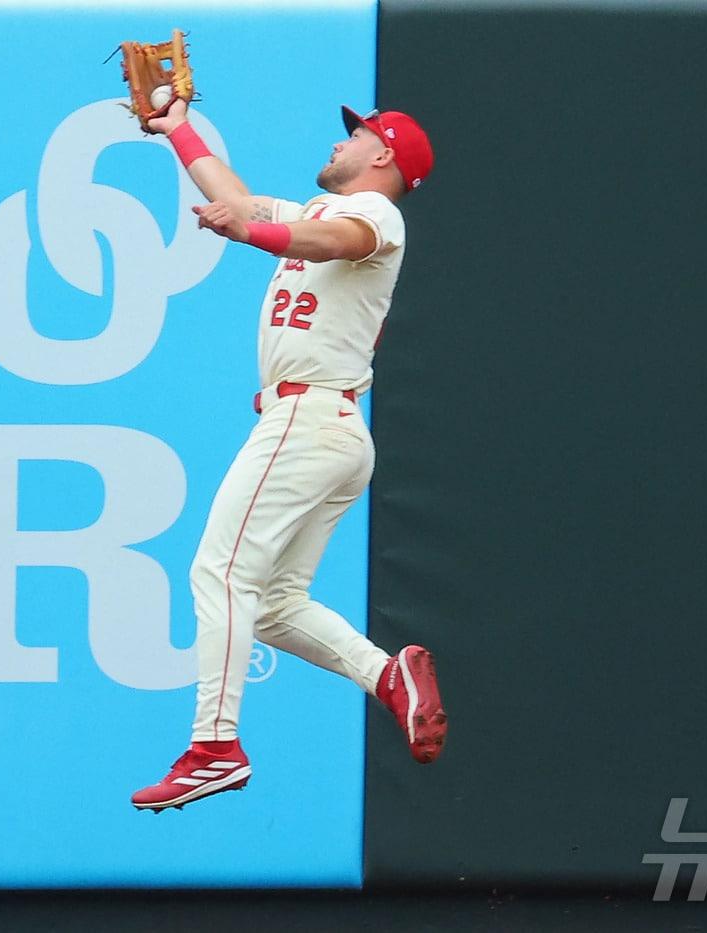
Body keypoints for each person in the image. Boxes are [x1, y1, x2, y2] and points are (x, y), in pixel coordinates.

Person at [130, 98, 445, 812]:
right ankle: (386, 675)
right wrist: (175, 126)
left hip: (307, 419)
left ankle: (214, 747)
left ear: (384, 155)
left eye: (356, 134)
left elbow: (329, 244)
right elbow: (235, 196)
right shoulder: (315, 208)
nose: (340, 143)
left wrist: (252, 232)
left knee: (219, 571)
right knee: (271, 602)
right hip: (322, 424)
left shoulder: (378, 215)